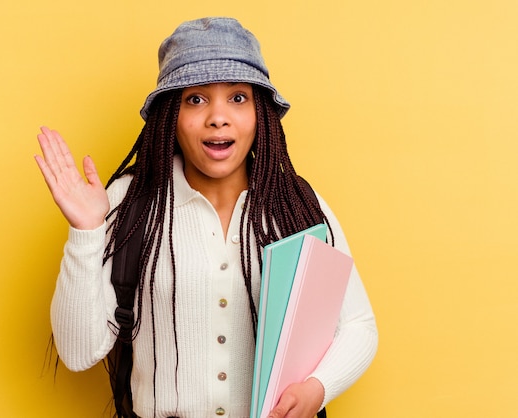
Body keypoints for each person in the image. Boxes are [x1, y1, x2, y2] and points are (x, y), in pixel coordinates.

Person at [35, 17, 378, 418]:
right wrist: (86, 231)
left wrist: (318, 389)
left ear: (260, 114)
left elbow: (359, 326)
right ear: (170, 117)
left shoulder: (297, 204)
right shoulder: (129, 202)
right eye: (196, 99)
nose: (218, 116)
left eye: (237, 98)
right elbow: (78, 353)